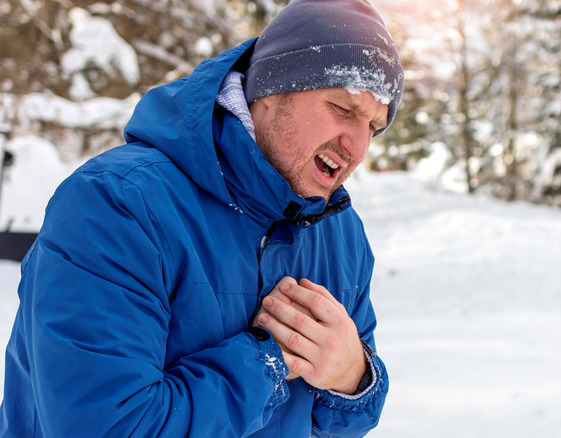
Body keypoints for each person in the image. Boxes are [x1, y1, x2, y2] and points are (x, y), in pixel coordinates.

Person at [0, 0, 403, 436]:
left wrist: (353, 377)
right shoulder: (117, 205)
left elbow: (335, 425)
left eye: (373, 127)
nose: (358, 147)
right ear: (271, 90)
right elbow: (107, 426)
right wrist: (264, 363)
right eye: (343, 109)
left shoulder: (339, 231)